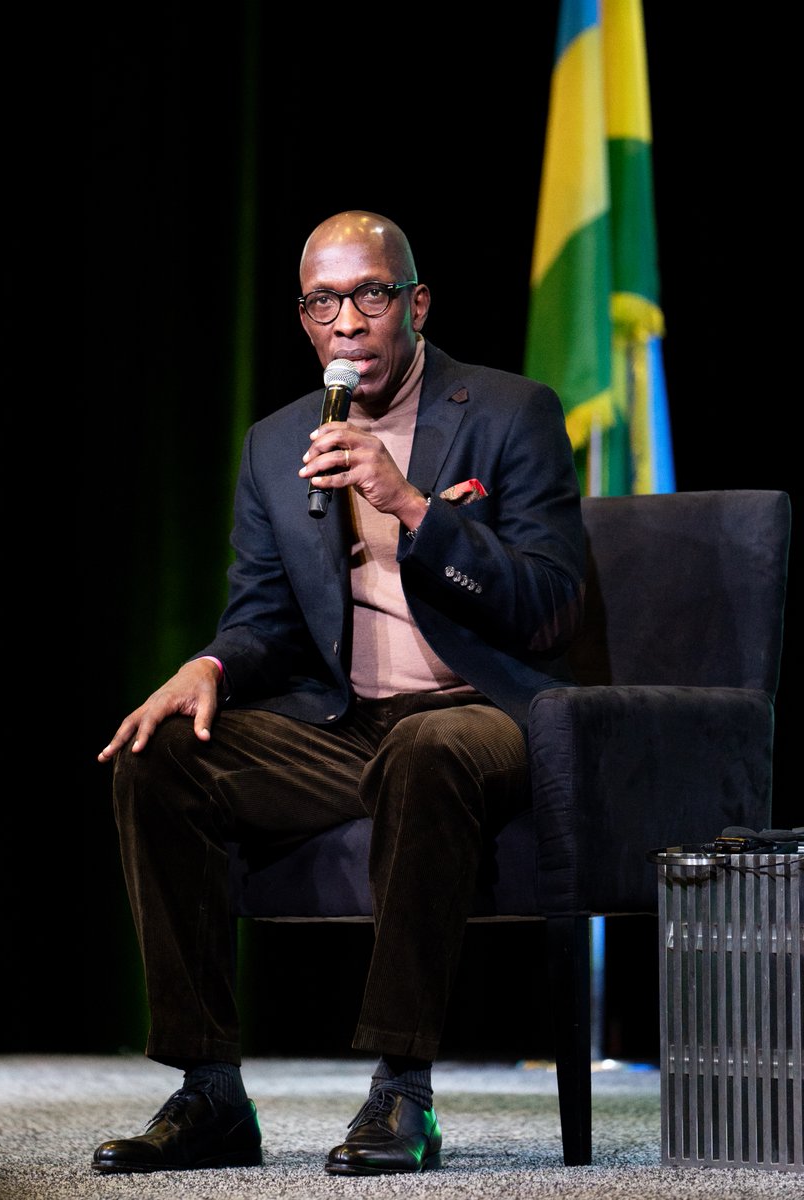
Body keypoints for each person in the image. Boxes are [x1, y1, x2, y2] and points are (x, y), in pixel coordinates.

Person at [91, 210, 586, 1177]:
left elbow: (550, 608)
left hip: (481, 710)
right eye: (325, 301)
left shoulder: (508, 411)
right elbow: (264, 620)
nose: (348, 321)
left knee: (427, 749)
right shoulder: (278, 444)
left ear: (416, 303)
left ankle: (403, 1089)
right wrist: (212, 667)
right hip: (343, 718)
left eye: (370, 295)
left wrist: (411, 509)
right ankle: (210, 1091)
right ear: (306, 320)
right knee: (160, 757)